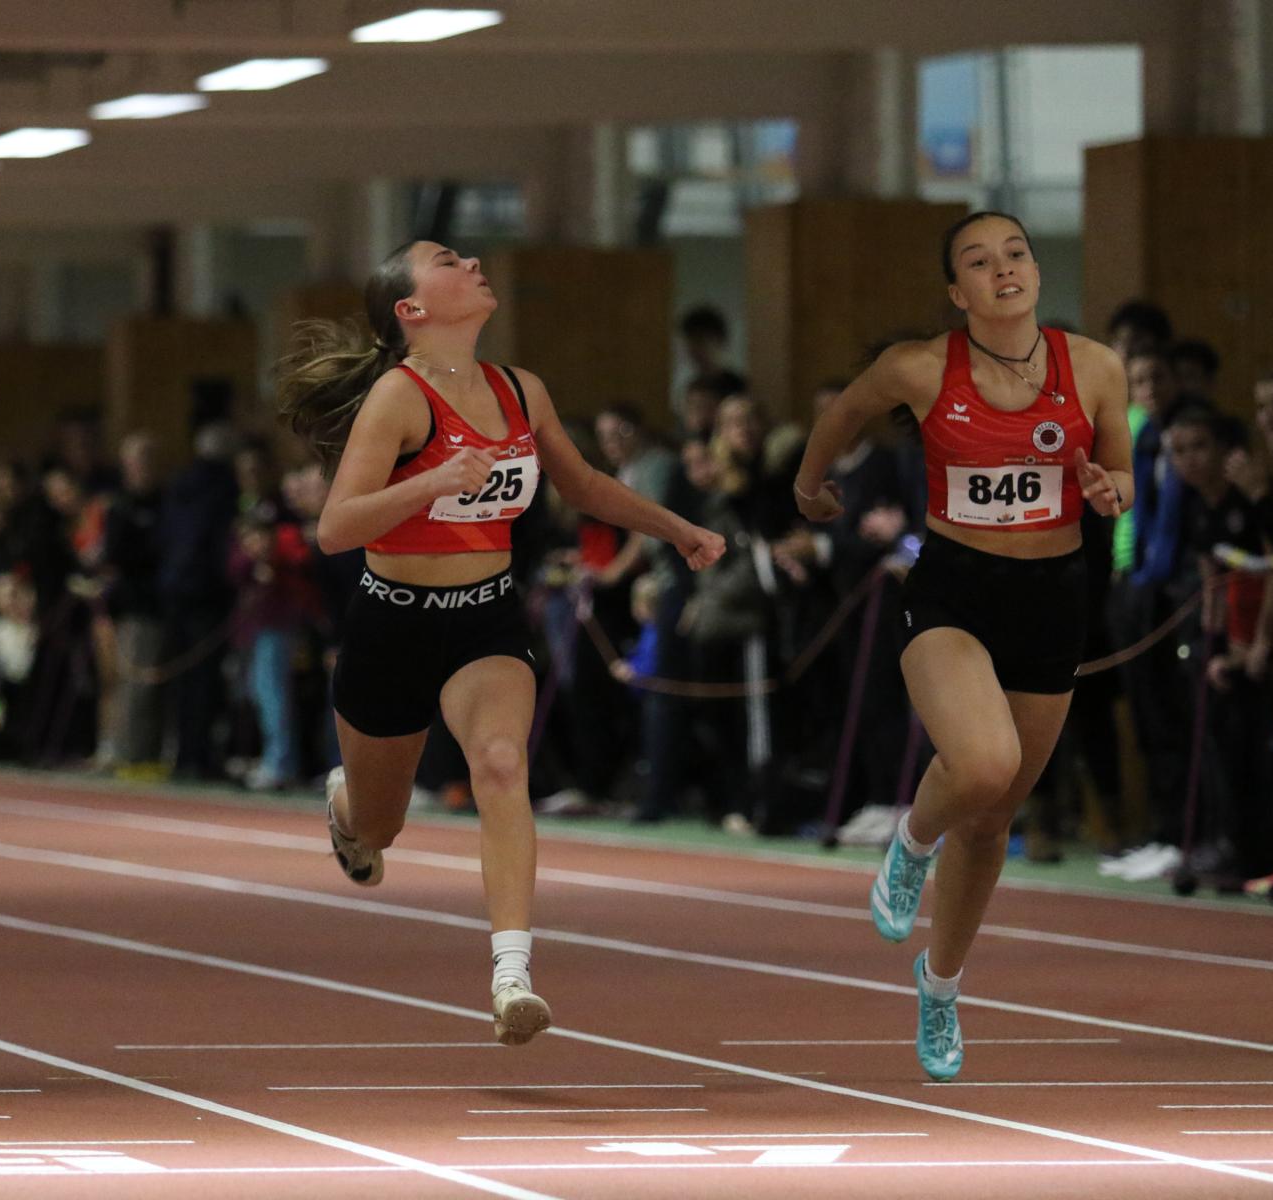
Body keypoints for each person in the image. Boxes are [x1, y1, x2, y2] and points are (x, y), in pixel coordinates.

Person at [277, 240, 725, 1045]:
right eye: (447, 260)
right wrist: (432, 481)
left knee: (500, 764)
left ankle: (511, 975)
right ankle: (347, 806)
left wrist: (677, 529)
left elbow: (583, 485)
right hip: (392, 624)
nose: (470, 262)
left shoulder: (520, 389)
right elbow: (336, 528)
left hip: (485, 618)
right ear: (412, 309)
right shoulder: (398, 397)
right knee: (380, 829)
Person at [791, 211, 1132, 1080]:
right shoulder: (919, 366)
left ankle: (939, 986)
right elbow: (844, 412)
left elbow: (1123, 475)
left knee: (993, 817)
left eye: (1016, 253)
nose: (1003, 269)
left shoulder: (1095, 366)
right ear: (957, 292)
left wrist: (1109, 489)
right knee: (981, 764)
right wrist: (808, 486)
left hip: (1053, 599)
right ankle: (911, 844)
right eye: (979, 262)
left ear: (1036, 271)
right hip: (953, 591)